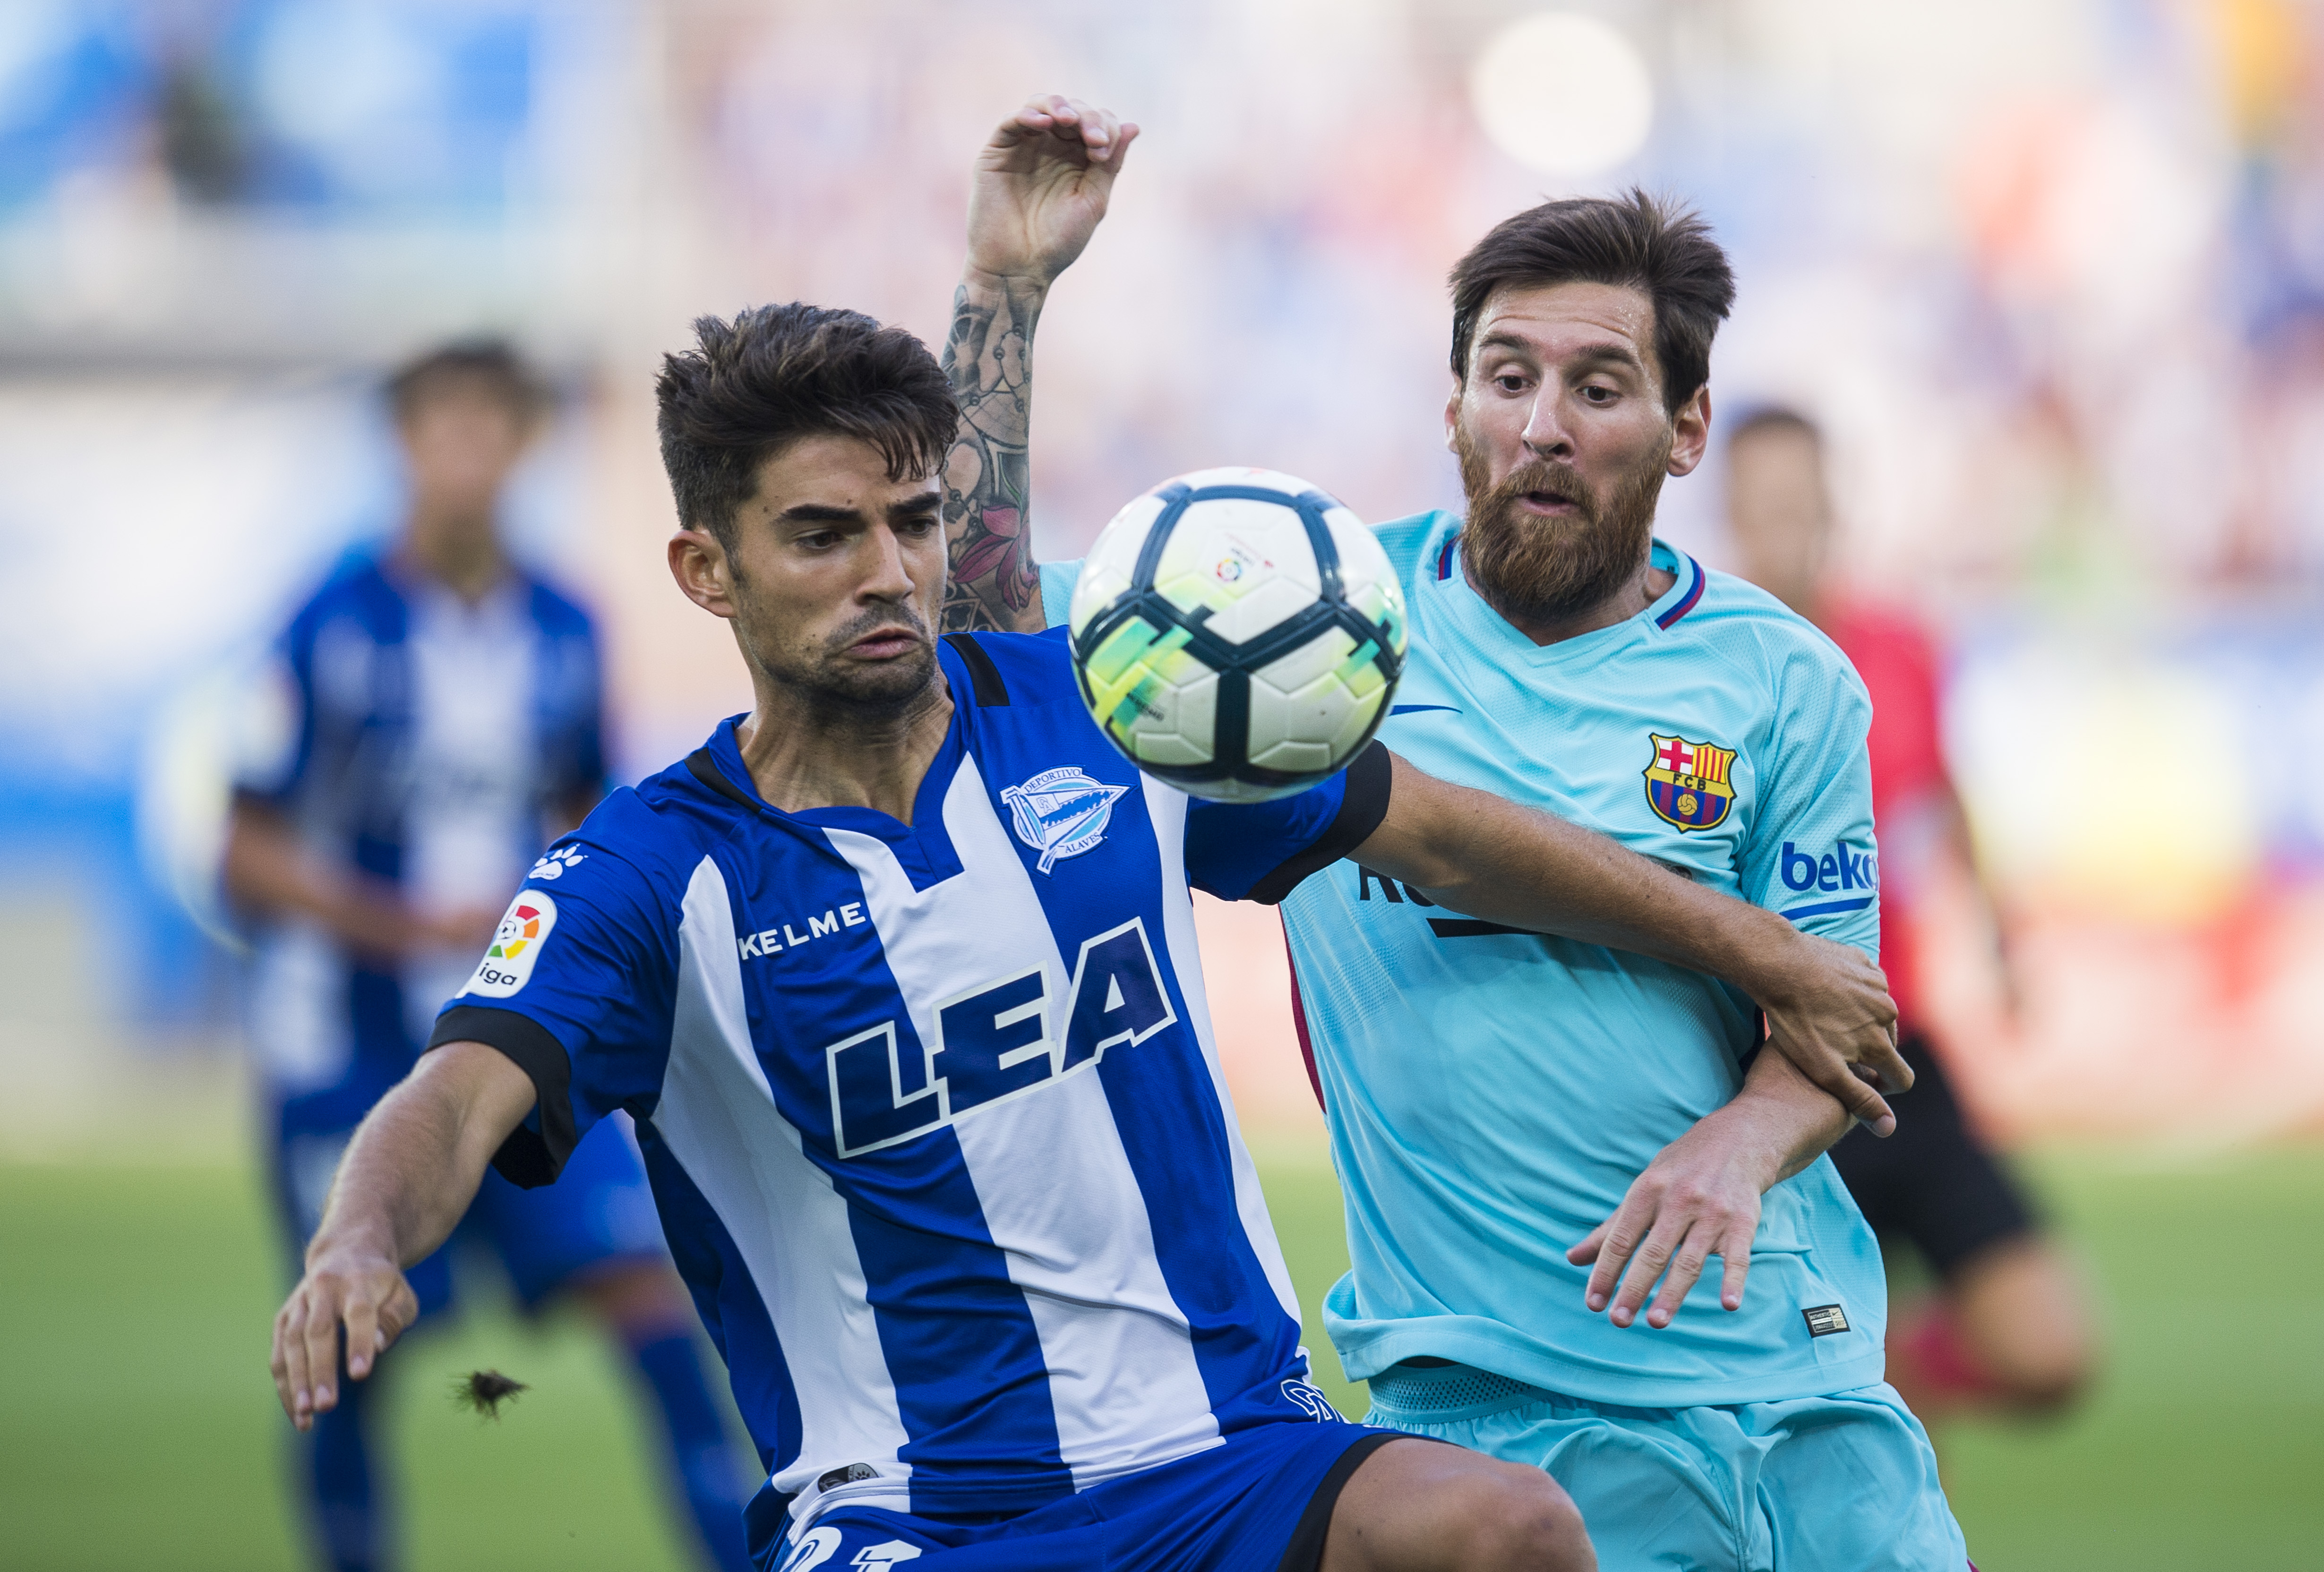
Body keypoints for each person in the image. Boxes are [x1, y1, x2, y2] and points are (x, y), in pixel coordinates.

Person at [268, 102, 1913, 1572]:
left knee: (1504, 1528)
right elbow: (457, 1082)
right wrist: (357, 1233)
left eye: (911, 525)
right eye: (823, 536)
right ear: (709, 572)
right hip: (915, 1503)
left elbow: (1451, 837)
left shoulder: (1107, 722)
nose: (886, 574)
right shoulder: (651, 873)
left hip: (1232, 1454)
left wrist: (1763, 949)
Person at [965, 111, 1969, 1569]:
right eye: (1508, 379)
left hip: (1802, 1383)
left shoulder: (1785, 679)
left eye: (1599, 386)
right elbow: (980, 606)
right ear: (1455, 407)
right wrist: (1007, 286)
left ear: (1688, 429)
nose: (1543, 424)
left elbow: (1837, 1017)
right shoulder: (1308, 623)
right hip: (1505, 1422)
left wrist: (1740, 1146)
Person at [225, 341, 751, 1572]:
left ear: (522, 445)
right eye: (438, 429)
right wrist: (398, 923)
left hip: (512, 1045)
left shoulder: (566, 628)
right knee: (354, 1339)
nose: (465, 455)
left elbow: (585, 821)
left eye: (490, 428)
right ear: (403, 443)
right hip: (343, 1054)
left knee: (651, 1311)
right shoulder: (325, 623)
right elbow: (242, 851)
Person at [1720, 405, 2097, 1423]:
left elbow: (1945, 785)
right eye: (1761, 506)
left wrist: (1998, 933)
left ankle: (1891, 1372)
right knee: (1870, 1458)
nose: (1783, 528)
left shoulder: (1897, 644)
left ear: (1831, 507)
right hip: (1775, 1069)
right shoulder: (1702, 669)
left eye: (1800, 503)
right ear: (1729, 513)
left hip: (1904, 1056)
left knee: (2051, 1353)